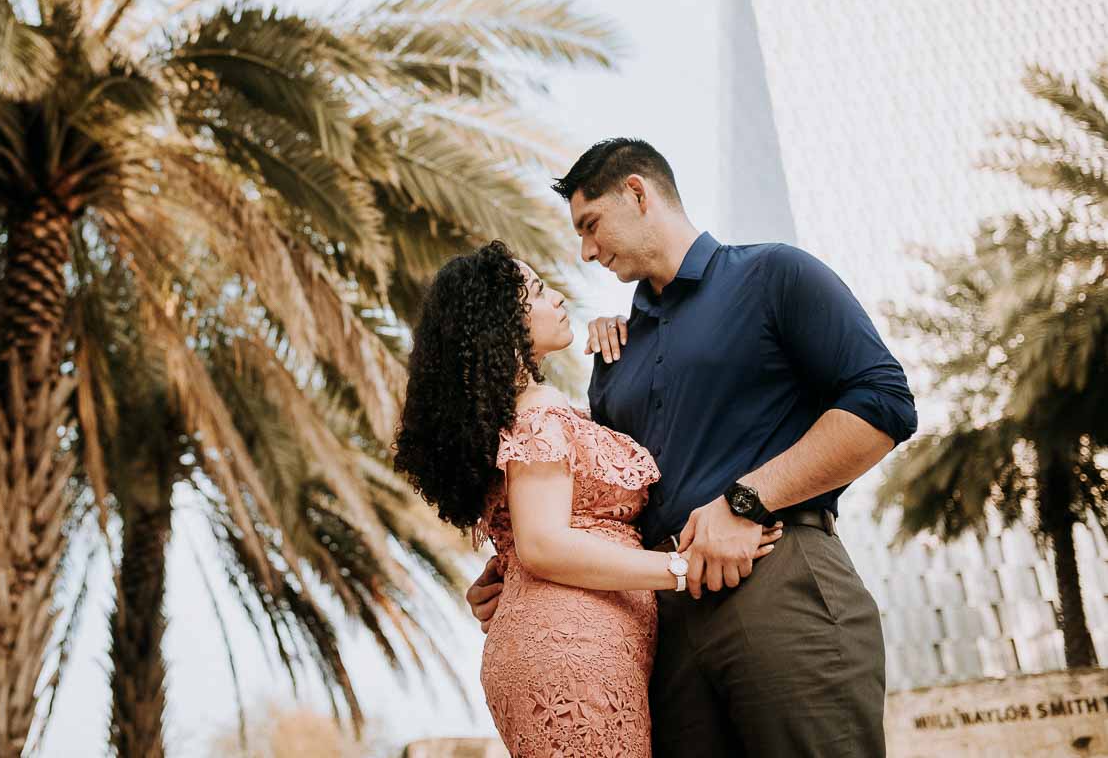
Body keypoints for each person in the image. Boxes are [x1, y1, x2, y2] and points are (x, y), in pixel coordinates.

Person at [464, 138, 918, 757]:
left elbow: (885, 401)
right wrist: (516, 569)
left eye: (591, 226)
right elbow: (602, 498)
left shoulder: (773, 274)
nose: (586, 251)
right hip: (662, 621)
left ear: (637, 193)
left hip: (775, 576)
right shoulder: (612, 356)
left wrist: (747, 500)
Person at [393, 240, 783, 757]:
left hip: (574, 642)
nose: (557, 297)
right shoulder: (538, 416)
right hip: (571, 652)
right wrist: (680, 568)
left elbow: (531, 538)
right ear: (502, 328)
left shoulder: (525, 415)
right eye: (536, 291)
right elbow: (543, 545)